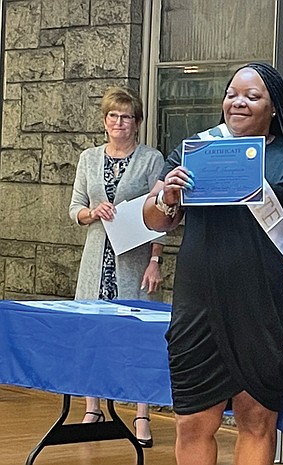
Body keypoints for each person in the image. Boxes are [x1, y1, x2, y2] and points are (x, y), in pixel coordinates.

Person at [143, 62, 283, 465]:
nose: (238, 102)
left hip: (266, 303)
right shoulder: (196, 149)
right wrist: (167, 198)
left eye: (252, 96)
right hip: (200, 304)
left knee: (257, 419)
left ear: (275, 106)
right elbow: (154, 220)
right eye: (232, 94)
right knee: (192, 422)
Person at [69, 86, 164, 448]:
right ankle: (92, 407)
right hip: (96, 260)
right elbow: (75, 206)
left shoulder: (150, 159)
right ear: (104, 120)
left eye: (126, 116)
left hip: (135, 261)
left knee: (137, 338)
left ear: (136, 123)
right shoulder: (88, 158)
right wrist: (91, 213)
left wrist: (156, 260)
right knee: (93, 333)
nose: (118, 122)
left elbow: (163, 214)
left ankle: (141, 415)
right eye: (112, 116)